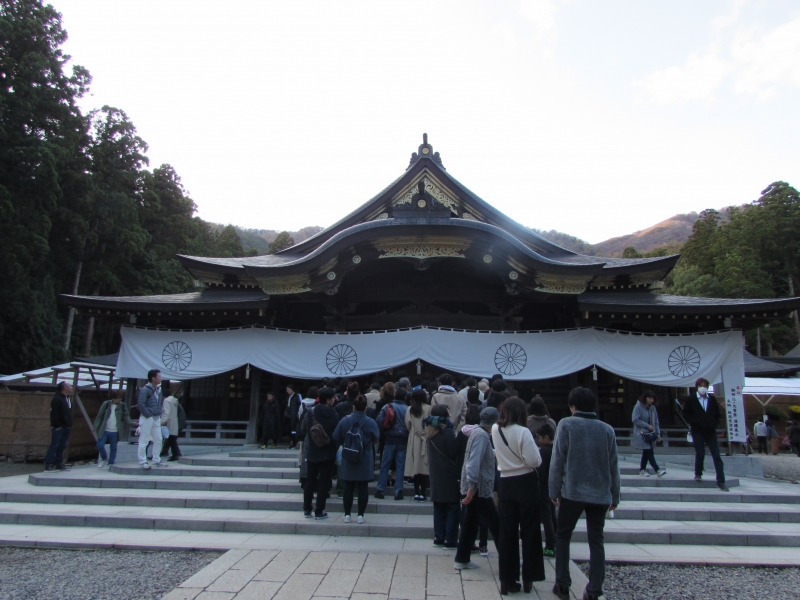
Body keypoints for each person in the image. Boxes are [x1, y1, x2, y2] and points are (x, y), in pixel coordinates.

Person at [550, 387, 620, 600]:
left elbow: (557, 461)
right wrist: (615, 495)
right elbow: (613, 466)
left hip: (572, 491)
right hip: (600, 493)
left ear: (573, 406)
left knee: (562, 536)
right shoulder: (607, 430)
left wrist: (553, 490)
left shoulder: (566, 424)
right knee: (596, 541)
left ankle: (562, 584)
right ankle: (595, 589)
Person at [492, 397, 545, 593]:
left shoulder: (496, 430)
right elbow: (533, 460)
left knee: (507, 532)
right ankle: (530, 576)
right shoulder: (523, 432)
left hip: (505, 480)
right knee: (530, 530)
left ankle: (507, 579)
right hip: (525, 481)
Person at [454, 407, 501, 573]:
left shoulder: (477, 433)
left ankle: (462, 558)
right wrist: (472, 487)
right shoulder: (481, 435)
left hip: (474, 486)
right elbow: (473, 463)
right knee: (495, 523)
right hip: (479, 488)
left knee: (470, 523)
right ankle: (508, 559)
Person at [332, 395, 380, 524]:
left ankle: (347, 514)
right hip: (364, 456)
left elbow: (336, 436)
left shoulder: (344, 420)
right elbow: (376, 437)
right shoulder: (370, 422)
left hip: (348, 456)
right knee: (363, 487)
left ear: (353, 407)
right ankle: (360, 515)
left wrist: (346, 444)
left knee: (349, 487)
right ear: (366, 408)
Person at [682, 377, 728, 491]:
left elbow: (717, 414)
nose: (703, 388)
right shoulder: (691, 399)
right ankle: (698, 472)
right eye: (701, 386)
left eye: (705, 386)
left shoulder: (711, 399)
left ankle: (721, 480)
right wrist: (694, 421)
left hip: (710, 430)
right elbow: (686, 413)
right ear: (697, 387)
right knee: (700, 452)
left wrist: (714, 423)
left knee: (716, 455)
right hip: (697, 430)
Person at [455, 404, 488, 556]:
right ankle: (482, 543)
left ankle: (468, 541)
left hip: (463, 474)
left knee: (466, 511)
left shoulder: (461, 434)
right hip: (478, 477)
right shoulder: (481, 434)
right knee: (482, 512)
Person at [303, 387, 340, 520]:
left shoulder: (310, 412)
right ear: (329, 400)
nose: (334, 400)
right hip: (328, 451)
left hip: (313, 450)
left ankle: (307, 509)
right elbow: (337, 432)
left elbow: (304, 428)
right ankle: (319, 510)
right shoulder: (334, 414)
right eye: (333, 398)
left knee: (310, 481)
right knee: (324, 482)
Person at [426, 403, 460, 549]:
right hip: (448, 472)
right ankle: (450, 539)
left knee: (438, 506)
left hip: (435, 472)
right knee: (452, 506)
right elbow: (453, 452)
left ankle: (438, 537)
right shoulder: (447, 432)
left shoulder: (429, 431)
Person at [375, 387, 409, 500]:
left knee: (385, 465)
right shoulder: (408, 409)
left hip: (390, 438)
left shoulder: (387, 406)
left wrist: (383, 432)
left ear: (395, 396)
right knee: (400, 466)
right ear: (405, 397)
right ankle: (398, 490)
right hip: (403, 438)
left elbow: (379, 421)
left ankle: (381, 489)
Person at [94, 390, 136, 468]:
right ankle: (104, 458)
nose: (119, 400)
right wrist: (95, 427)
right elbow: (100, 416)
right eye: (117, 398)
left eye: (120, 398)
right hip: (105, 429)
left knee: (113, 447)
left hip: (115, 430)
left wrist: (132, 423)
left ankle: (111, 462)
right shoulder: (106, 404)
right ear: (113, 398)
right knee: (100, 445)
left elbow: (126, 416)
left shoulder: (122, 406)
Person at [535, 423, 557, 558]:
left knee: (546, 516)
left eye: (539, 437)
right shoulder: (556, 449)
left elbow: (540, 473)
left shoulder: (544, 451)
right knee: (551, 514)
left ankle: (550, 545)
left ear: (546, 437)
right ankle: (556, 540)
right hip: (553, 486)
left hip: (544, 487)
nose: (538, 440)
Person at [632, 390, 666, 478]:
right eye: (649, 398)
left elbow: (656, 422)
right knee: (649, 451)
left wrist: (658, 434)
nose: (651, 400)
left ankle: (642, 469)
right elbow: (635, 419)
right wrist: (647, 426)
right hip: (642, 433)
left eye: (652, 399)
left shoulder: (652, 408)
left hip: (651, 434)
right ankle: (657, 469)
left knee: (646, 452)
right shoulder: (638, 407)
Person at [405, 389, 431, 501]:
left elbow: (408, 424)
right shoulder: (429, 408)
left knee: (415, 465)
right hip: (426, 438)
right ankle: (423, 493)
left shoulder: (410, 409)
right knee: (424, 466)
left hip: (414, 438)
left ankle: (416, 492)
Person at [137, 369, 165, 470]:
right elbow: (140, 404)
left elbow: (160, 402)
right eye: (159, 376)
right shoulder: (145, 390)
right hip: (147, 417)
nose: (160, 378)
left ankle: (156, 459)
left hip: (156, 417)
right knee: (144, 439)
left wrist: (159, 412)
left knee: (158, 439)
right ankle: (143, 461)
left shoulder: (158, 389)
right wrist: (148, 414)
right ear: (153, 378)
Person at [44, 382, 74, 472]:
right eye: (70, 386)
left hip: (66, 426)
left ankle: (59, 463)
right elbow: (54, 413)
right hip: (59, 427)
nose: (71, 387)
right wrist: (56, 425)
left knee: (62, 446)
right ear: (65, 387)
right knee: (55, 445)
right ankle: (48, 463)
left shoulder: (67, 399)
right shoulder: (57, 399)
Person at [160, 393, 182, 461]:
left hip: (168, 422)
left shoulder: (167, 400)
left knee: (171, 438)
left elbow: (167, 411)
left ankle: (176, 454)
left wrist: (164, 420)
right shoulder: (174, 401)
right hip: (174, 421)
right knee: (172, 438)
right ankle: (176, 453)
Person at [286, 384, 302, 449]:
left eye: (288, 389)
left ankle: (295, 443)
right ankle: (292, 443)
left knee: (295, 430)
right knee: (290, 429)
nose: (287, 391)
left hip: (295, 415)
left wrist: (298, 413)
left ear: (292, 389)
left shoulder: (298, 395)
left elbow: (300, 404)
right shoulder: (289, 397)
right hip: (290, 415)